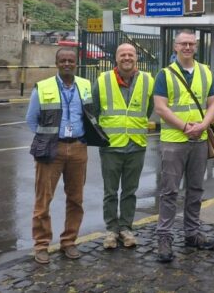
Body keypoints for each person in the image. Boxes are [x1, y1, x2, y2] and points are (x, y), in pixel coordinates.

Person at [153, 29, 214, 263]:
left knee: (195, 190)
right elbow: (160, 107)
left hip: (199, 140)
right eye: (183, 44)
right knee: (169, 191)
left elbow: (213, 104)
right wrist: (184, 126)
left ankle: (192, 233)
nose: (188, 47)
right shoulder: (165, 74)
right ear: (175, 47)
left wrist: (203, 125)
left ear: (196, 46)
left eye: (191, 44)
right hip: (174, 140)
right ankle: (164, 237)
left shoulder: (205, 72)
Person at [25, 47, 92, 264]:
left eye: (70, 60)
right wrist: (49, 138)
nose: (66, 64)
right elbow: (31, 120)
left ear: (76, 63)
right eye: (62, 60)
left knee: (76, 199)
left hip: (78, 148)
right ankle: (42, 244)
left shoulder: (85, 85)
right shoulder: (42, 88)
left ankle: (69, 241)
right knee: (43, 199)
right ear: (56, 63)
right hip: (51, 149)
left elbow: (90, 114)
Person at [91, 43, 154, 250]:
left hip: (136, 145)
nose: (127, 58)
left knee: (130, 191)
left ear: (136, 58)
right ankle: (111, 229)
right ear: (115, 59)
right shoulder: (103, 80)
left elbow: (149, 107)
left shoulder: (147, 80)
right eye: (122, 55)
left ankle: (126, 228)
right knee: (110, 191)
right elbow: (94, 110)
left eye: (131, 54)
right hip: (111, 146)